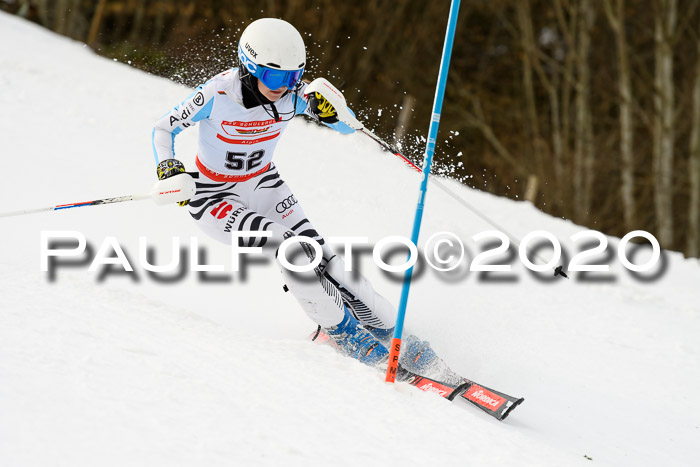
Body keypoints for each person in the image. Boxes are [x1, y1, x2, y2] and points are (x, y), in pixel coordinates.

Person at [152, 18, 448, 376]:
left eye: (293, 77)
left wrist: (331, 114)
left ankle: (397, 335)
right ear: (247, 67)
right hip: (215, 196)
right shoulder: (217, 93)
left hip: (265, 185)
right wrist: (170, 167)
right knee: (293, 251)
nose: (284, 88)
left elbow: (346, 124)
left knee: (327, 259)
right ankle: (346, 333)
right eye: (275, 78)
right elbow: (163, 128)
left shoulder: (294, 95)